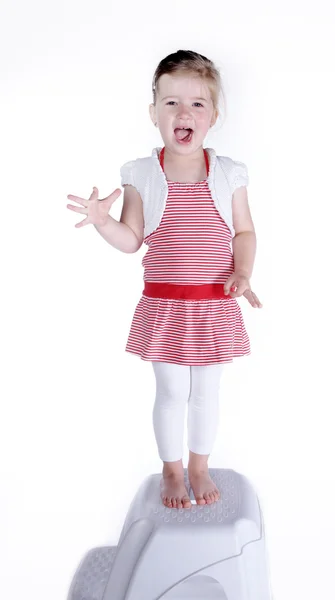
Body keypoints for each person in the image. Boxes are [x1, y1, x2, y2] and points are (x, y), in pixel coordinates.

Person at [66, 49, 262, 510]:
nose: (183, 112)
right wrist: (103, 221)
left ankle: (199, 464)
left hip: (213, 303)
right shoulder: (142, 175)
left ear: (213, 115)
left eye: (197, 103)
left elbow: (245, 231)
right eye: (171, 102)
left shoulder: (229, 174)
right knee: (172, 392)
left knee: (207, 392)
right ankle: (172, 468)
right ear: (153, 112)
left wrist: (243, 271)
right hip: (166, 306)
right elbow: (132, 239)